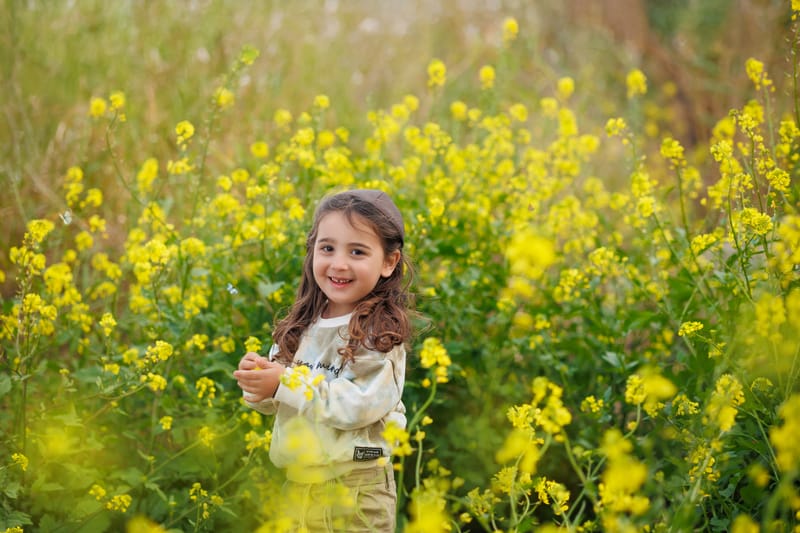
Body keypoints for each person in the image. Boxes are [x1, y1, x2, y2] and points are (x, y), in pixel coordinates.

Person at [234, 189, 412, 532]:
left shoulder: (380, 335)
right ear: (312, 251)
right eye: (327, 248)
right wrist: (259, 383)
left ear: (390, 262)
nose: (339, 263)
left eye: (357, 251)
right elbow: (279, 402)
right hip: (300, 485)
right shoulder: (301, 325)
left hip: (358, 485)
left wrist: (283, 383)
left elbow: (357, 407)